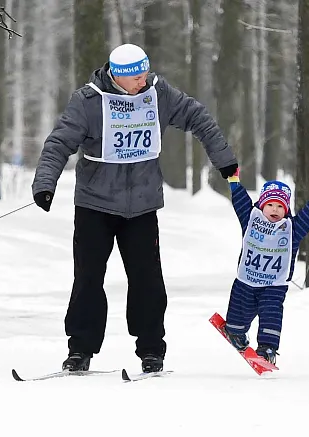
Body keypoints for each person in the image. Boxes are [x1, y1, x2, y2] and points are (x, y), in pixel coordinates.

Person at [32, 43, 239, 373]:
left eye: (145, 74)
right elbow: (59, 142)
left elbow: (198, 117)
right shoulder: (88, 101)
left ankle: (151, 350)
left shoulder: (158, 94)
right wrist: (45, 184)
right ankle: (80, 350)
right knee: (87, 279)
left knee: (147, 280)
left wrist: (224, 161)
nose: (144, 81)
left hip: (141, 207)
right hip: (94, 205)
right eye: (138, 78)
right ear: (118, 76)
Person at [220, 171, 309, 364]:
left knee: (271, 314)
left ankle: (267, 348)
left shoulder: (291, 229)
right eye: (270, 204)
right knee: (238, 312)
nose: (274, 209)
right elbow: (240, 201)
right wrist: (233, 180)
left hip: (274, 285)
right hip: (247, 279)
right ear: (262, 205)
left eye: (280, 206)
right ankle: (236, 332)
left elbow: (308, 215)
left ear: (286, 209)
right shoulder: (250, 218)